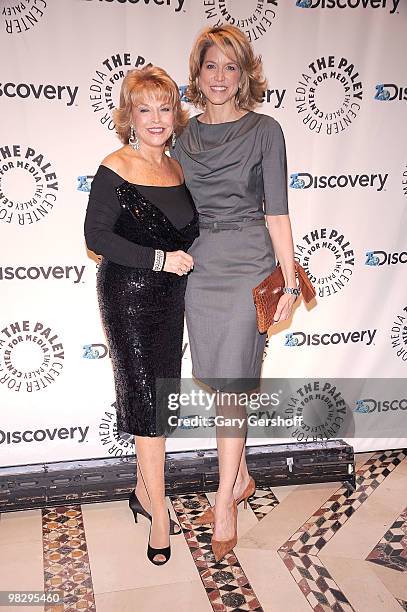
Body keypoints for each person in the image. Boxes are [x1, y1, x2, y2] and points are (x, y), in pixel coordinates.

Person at [171, 25, 298, 562]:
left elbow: (277, 210)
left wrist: (289, 279)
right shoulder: (181, 136)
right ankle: (241, 476)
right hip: (199, 268)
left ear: (245, 73)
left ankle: (225, 501)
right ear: (196, 74)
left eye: (231, 67)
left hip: (248, 264)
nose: (220, 77)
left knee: (232, 387)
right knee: (220, 379)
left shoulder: (266, 131)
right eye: (210, 66)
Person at [84, 66, 199, 566]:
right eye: (144, 108)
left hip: (173, 296)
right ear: (129, 115)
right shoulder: (116, 165)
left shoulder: (178, 169)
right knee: (147, 399)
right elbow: (98, 237)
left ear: (176, 113)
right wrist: (158, 260)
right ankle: (159, 511)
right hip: (130, 294)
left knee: (161, 396)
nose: (156, 118)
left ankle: (141, 487)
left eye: (165, 107)